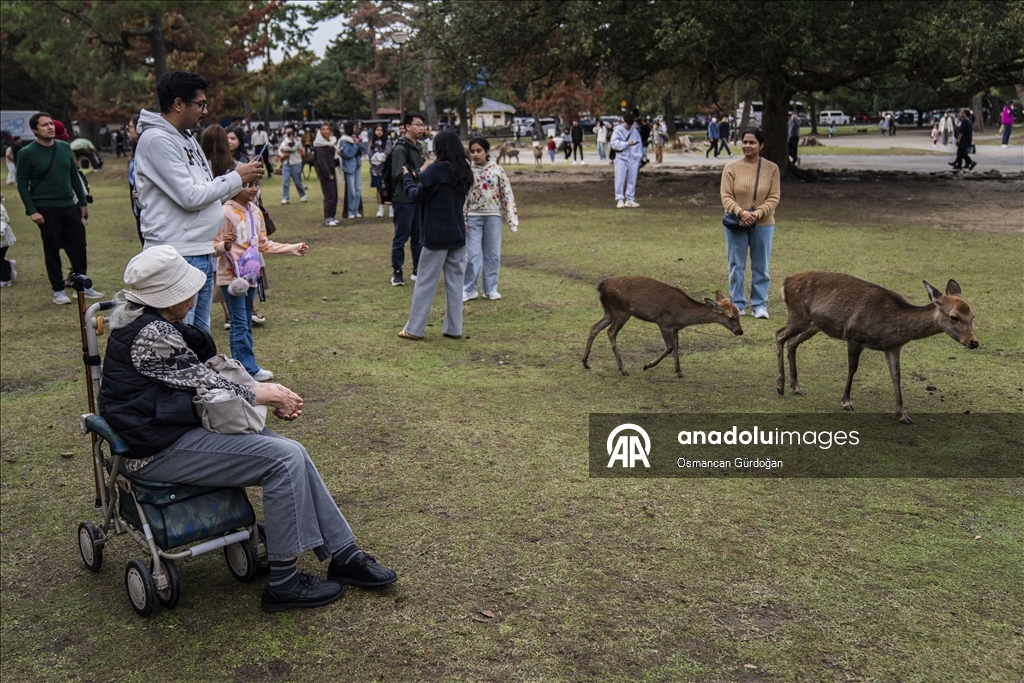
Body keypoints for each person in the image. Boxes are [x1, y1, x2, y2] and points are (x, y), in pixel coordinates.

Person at [100, 246, 397, 613]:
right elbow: (208, 384)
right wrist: (266, 392)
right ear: (169, 295)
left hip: (172, 432)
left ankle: (343, 553)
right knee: (284, 458)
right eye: (187, 288)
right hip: (157, 450)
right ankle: (285, 584)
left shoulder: (151, 323)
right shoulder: (152, 334)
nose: (195, 292)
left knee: (293, 453)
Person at [134, 71, 263, 332]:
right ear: (178, 104)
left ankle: (201, 373)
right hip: (177, 252)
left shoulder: (187, 137)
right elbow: (190, 197)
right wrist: (236, 178)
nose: (205, 110)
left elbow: (205, 190)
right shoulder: (157, 140)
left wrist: (239, 185)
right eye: (200, 104)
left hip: (201, 249)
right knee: (182, 333)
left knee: (199, 333)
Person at [215, 180, 307, 380]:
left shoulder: (255, 212)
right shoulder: (224, 212)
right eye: (248, 184)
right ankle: (244, 372)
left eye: (256, 184)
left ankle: (248, 368)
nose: (254, 189)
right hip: (231, 279)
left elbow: (263, 244)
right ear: (235, 186)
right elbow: (213, 246)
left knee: (246, 322)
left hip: (250, 276)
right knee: (239, 324)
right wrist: (225, 245)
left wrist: (292, 248)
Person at [15, 112, 103, 304]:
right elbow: (21, 184)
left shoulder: (64, 148)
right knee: (52, 248)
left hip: (69, 205)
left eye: (51, 124)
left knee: (78, 246)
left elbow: (74, 176)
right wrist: (32, 210)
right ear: (34, 130)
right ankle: (58, 290)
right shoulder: (27, 153)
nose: (50, 127)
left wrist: (82, 202)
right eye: (45, 125)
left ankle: (82, 285)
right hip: (45, 207)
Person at [397, 129, 472, 340]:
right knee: (455, 284)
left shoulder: (435, 169)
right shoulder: (464, 170)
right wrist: (417, 176)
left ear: (439, 148)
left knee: (425, 281)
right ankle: (454, 329)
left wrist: (407, 179)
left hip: (435, 234)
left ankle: (414, 329)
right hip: (457, 234)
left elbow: (416, 195)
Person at [720, 128, 781, 319]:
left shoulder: (772, 169)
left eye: (752, 142)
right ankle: (737, 303)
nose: (747, 146)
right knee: (736, 265)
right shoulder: (731, 167)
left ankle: (759, 304)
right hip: (735, 223)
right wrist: (741, 212)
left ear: (761, 145)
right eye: (744, 142)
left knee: (761, 266)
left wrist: (757, 214)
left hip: (763, 224)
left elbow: (774, 197)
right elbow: (726, 196)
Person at [463, 137, 519, 302]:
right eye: (472, 151)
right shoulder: (467, 171)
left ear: (487, 152)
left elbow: (506, 194)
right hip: (473, 217)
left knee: (492, 255)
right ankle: (468, 289)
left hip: (493, 216)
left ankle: (490, 288)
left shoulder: (497, 170)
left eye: (479, 151)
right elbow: (463, 196)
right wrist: (462, 218)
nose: (475, 154)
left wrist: (511, 219)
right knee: (472, 255)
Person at [388, 112, 426, 287]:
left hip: (418, 196)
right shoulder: (400, 147)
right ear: (407, 126)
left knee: (418, 236)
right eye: (417, 124)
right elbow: (397, 173)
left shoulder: (418, 146)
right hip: (403, 198)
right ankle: (397, 271)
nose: (421, 128)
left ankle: (417, 269)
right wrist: (419, 172)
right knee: (401, 236)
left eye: (422, 125)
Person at [610, 112, 642, 208]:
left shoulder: (634, 131)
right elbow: (614, 144)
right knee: (620, 179)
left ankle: (630, 198)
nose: (629, 126)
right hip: (621, 157)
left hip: (633, 158)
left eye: (630, 124)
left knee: (632, 179)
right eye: (627, 124)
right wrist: (626, 144)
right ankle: (619, 198)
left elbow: (639, 145)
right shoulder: (617, 130)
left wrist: (638, 157)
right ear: (624, 122)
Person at [312, 123, 339, 226]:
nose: (325, 131)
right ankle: (328, 217)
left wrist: (337, 156)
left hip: (331, 170)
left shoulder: (330, 143)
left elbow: (332, 159)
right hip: (326, 173)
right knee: (329, 195)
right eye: (323, 129)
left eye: (327, 129)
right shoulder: (319, 145)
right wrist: (328, 174)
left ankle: (332, 216)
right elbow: (321, 162)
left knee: (334, 194)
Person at [277, 125, 308, 204]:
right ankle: (285, 198)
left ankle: (303, 195)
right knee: (285, 181)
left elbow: (293, 148)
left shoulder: (298, 140)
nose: (289, 133)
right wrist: (283, 155)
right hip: (286, 163)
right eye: (287, 131)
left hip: (296, 163)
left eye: (291, 132)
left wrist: (285, 150)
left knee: (298, 181)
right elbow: (279, 150)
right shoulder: (284, 141)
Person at [339, 121, 363, 219]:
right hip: (349, 167)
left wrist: (358, 143)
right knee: (351, 190)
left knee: (358, 189)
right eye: (354, 127)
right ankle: (350, 210)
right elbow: (348, 155)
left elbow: (361, 151)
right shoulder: (344, 140)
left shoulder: (355, 138)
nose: (356, 129)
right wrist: (355, 145)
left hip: (357, 165)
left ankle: (356, 209)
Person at [367, 124, 392, 218]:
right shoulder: (372, 142)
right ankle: (380, 208)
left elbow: (388, 152)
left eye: (381, 130)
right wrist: (377, 157)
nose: (379, 131)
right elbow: (370, 154)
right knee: (378, 188)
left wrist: (380, 156)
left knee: (388, 188)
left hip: (386, 169)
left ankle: (391, 208)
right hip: (375, 170)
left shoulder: (388, 141)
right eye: (377, 129)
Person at [126, 115, 143, 245]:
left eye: (130, 127)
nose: (128, 131)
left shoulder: (146, 151)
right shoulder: (136, 150)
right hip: (137, 207)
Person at [0, 197, 16, 287]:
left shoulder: (0, 209)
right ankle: (8, 265)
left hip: (2, 239)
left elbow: (4, 221)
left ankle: (5, 279)